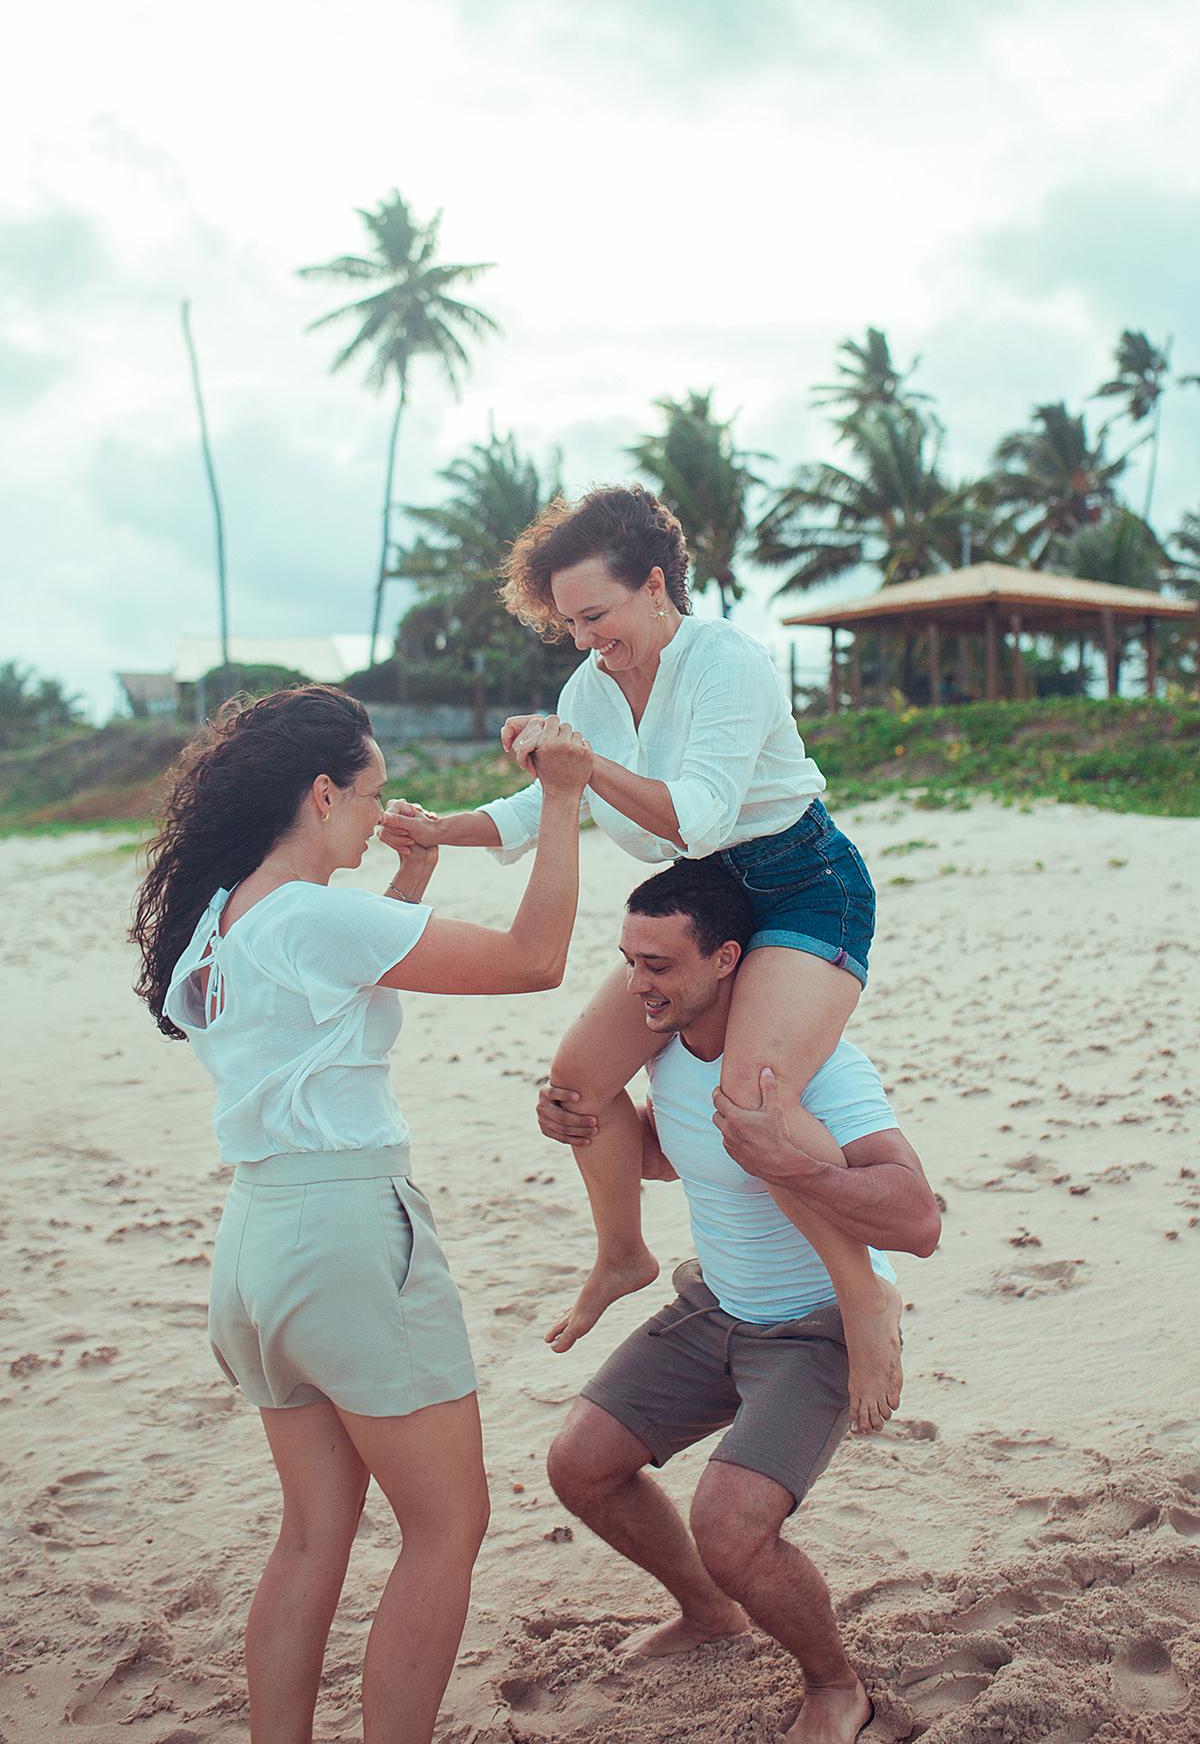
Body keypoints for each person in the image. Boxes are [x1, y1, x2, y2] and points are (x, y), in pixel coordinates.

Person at [381, 485, 898, 1436]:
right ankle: (622, 1253)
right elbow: (547, 805)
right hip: (702, 901)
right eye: (569, 624)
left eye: (597, 615)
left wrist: (579, 764)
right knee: (577, 1081)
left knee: (751, 1099)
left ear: (656, 586)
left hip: (804, 886)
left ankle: (862, 1291)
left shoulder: (725, 661)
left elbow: (696, 814)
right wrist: (440, 828)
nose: (585, 640)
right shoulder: (590, 689)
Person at [129, 686, 592, 1744]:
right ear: (324, 793)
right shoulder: (312, 918)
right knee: (447, 1526)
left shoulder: (222, 919)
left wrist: (412, 871)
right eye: (374, 794)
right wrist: (563, 800)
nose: (385, 811)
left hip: (256, 1244)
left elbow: (326, 992)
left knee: (312, 1534)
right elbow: (534, 961)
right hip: (344, 1235)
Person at [537, 861, 941, 1744]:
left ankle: (836, 1687)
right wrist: (583, 1119)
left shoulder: (815, 1069)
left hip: (815, 1329)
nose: (637, 986)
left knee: (730, 1529)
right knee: (580, 1465)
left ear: (726, 960)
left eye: (658, 966)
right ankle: (709, 1611)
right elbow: (671, 1151)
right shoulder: (663, 1048)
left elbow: (918, 1218)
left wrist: (793, 1163)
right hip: (717, 1305)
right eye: (629, 963)